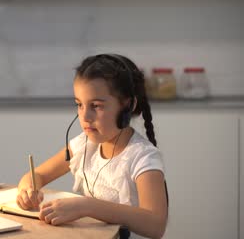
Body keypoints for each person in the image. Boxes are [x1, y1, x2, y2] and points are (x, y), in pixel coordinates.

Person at [16, 54, 168, 238]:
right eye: (79, 105)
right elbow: (37, 175)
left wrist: (86, 206)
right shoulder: (83, 145)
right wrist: (28, 190)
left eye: (96, 106)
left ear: (127, 106)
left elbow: (156, 225)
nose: (85, 116)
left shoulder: (143, 157)